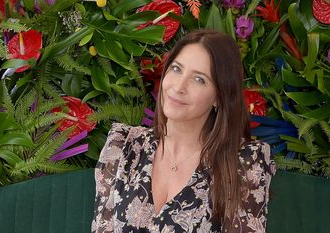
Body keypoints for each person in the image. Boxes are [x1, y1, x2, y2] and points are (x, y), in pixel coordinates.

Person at [91, 29, 276, 233]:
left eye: (199, 79)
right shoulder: (124, 145)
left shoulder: (243, 162)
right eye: (177, 69)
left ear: (219, 96)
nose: (179, 86)